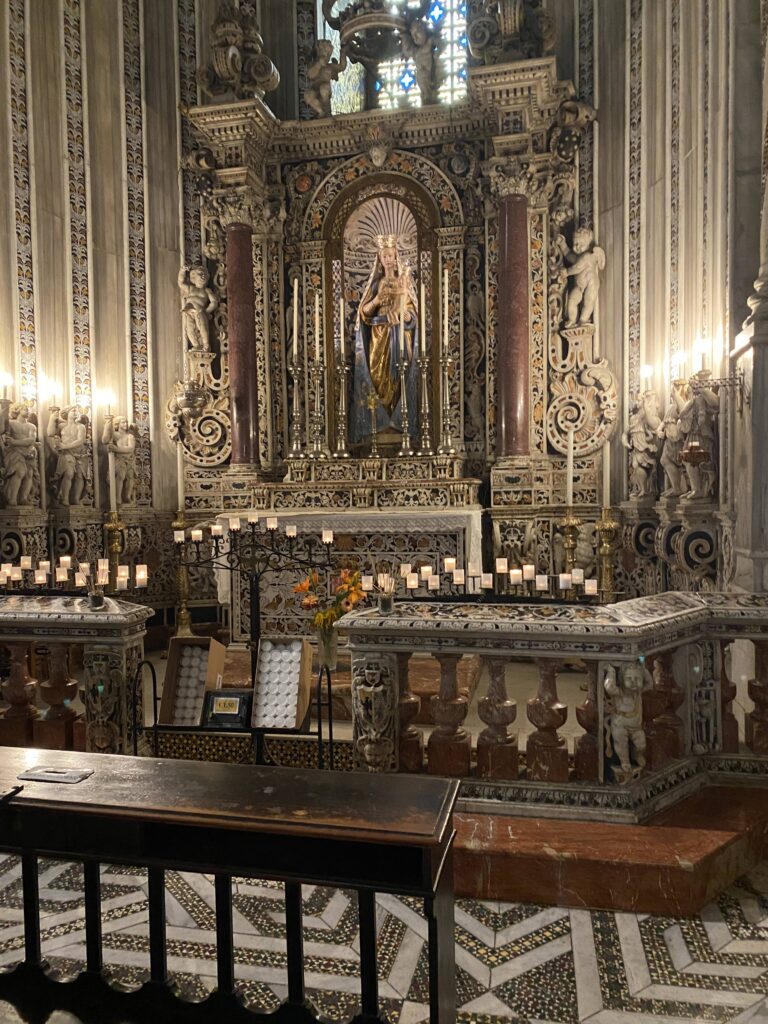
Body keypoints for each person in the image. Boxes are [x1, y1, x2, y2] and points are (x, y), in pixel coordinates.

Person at [350, 235, 419, 445]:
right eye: (385, 256)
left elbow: (413, 314)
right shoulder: (376, 284)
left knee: (400, 376)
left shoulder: (404, 282)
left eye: (391, 255)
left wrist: (404, 315)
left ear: (396, 257)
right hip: (378, 336)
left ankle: (399, 423)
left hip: (399, 336)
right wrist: (377, 300)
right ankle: (378, 424)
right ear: (380, 259)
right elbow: (364, 312)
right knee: (377, 377)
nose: (388, 259)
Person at [3, 404, 38, 506]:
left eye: (28, 409)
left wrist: (15, 442)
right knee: (19, 472)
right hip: (15, 452)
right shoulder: (11, 423)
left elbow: (31, 440)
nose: (28, 411)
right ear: (18, 410)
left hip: (29, 453)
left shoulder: (31, 426)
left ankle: (23, 498)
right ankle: (12, 498)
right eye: (25, 409)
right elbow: (7, 439)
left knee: (29, 474)